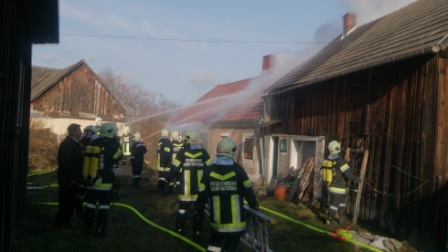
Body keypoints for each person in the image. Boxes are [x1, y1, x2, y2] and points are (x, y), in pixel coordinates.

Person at [195, 137, 259, 251]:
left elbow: (201, 197)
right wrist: (254, 208)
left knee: (214, 246)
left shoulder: (209, 172)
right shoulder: (239, 170)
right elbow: (249, 193)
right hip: (236, 225)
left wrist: (198, 215)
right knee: (231, 248)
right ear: (233, 152)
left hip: (217, 224)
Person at [83, 122, 123, 237]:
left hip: (91, 179)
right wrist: (117, 143)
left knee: (90, 205)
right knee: (103, 206)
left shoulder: (93, 141)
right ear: (111, 132)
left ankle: (87, 228)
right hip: (104, 182)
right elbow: (119, 156)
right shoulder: (111, 144)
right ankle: (100, 230)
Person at [170, 129, 213, 237]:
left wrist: (178, 177)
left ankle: (179, 229)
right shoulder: (203, 152)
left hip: (185, 188)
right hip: (199, 190)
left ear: (186, 139)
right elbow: (211, 168)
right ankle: (197, 232)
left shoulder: (182, 152)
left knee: (182, 209)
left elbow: (174, 169)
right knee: (198, 211)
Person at [324, 140, 360, 226]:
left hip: (332, 186)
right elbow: (349, 175)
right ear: (338, 148)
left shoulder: (329, 159)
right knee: (334, 205)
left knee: (342, 204)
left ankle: (342, 220)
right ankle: (329, 222)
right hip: (338, 188)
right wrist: (358, 179)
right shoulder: (340, 161)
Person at [54, 123, 83, 229]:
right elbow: (66, 163)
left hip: (72, 179)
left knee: (70, 200)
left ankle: (66, 221)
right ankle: (61, 222)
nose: (81, 132)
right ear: (73, 132)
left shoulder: (73, 143)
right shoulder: (68, 144)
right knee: (65, 201)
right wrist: (71, 178)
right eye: (79, 131)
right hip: (67, 180)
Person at [157, 128, 171, 193]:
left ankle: (159, 189)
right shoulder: (167, 143)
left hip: (159, 163)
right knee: (166, 178)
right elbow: (166, 154)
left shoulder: (160, 142)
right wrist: (165, 163)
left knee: (161, 177)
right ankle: (166, 191)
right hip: (164, 164)